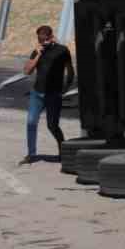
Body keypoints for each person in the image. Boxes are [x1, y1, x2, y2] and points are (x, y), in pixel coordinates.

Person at [20, 24, 74, 166]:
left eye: (44, 39)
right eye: (39, 39)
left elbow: (70, 71)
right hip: (37, 93)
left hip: (54, 94)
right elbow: (27, 71)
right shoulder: (37, 51)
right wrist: (38, 53)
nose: (41, 41)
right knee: (31, 122)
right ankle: (31, 154)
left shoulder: (62, 51)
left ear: (51, 37)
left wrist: (65, 88)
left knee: (52, 125)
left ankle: (63, 152)